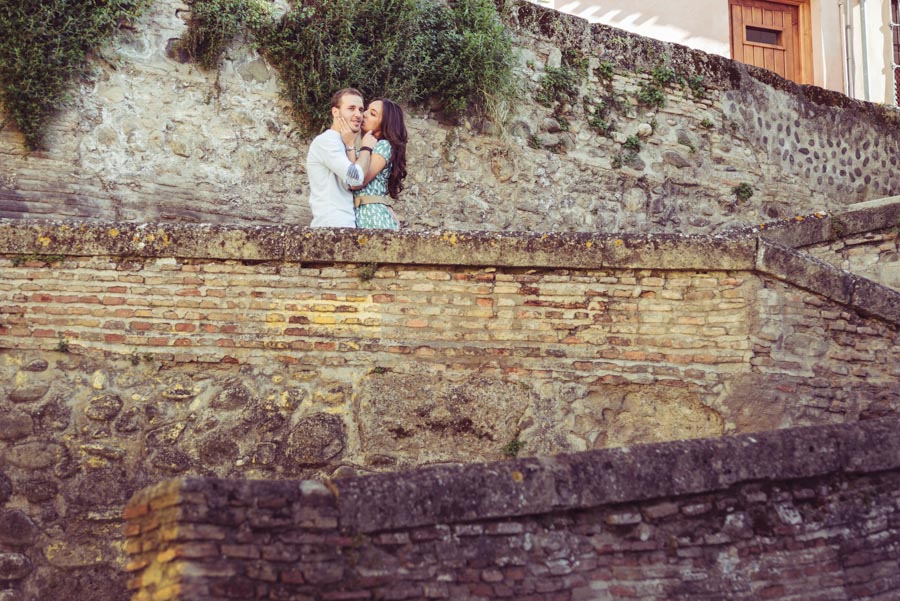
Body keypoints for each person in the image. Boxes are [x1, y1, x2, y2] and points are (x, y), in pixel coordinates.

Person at [306, 88, 379, 227]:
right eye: (351, 108)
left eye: (360, 109)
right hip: (332, 224)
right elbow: (355, 178)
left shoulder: (343, 142)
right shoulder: (327, 142)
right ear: (335, 112)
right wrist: (366, 148)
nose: (358, 114)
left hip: (346, 223)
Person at [351, 98, 408, 230]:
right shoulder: (370, 146)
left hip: (372, 217)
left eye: (373, 113)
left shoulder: (383, 146)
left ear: (385, 123)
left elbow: (357, 181)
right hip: (363, 214)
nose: (364, 114)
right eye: (366, 109)